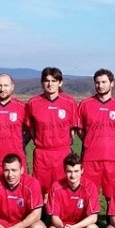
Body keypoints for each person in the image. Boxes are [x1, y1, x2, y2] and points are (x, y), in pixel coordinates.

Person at [76, 68, 115, 204]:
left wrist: (113, 143)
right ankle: (90, 218)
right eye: (97, 82)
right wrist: (91, 141)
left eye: (104, 82)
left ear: (112, 83)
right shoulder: (85, 105)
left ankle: (111, 218)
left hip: (113, 159)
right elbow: (80, 130)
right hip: (90, 159)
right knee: (88, 196)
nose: (100, 85)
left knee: (113, 198)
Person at [25, 67, 77, 197]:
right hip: (42, 153)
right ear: (42, 82)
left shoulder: (70, 102)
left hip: (62, 152)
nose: (50, 84)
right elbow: (31, 128)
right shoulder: (33, 103)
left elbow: (73, 130)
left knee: (63, 188)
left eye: (54, 81)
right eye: (46, 80)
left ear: (60, 83)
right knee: (40, 189)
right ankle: (41, 210)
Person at [46, 153, 101, 228]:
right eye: (69, 171)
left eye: (76, 171)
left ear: (82, 170)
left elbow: (94, 217)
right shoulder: (56, 187)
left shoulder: (90, 187)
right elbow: (54, 217)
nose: (73, 175)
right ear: (64, 170)